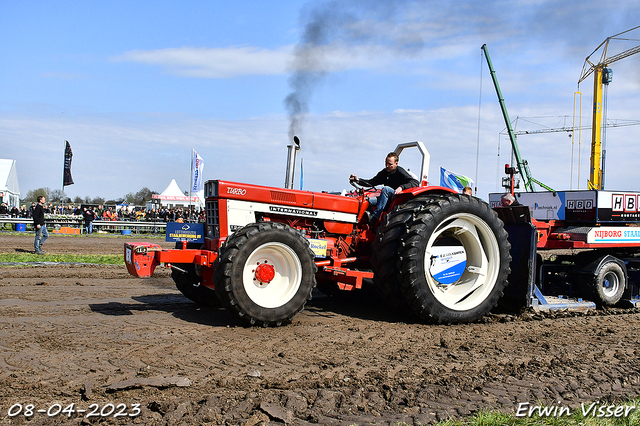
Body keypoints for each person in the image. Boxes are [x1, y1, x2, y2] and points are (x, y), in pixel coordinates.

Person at [350, 152, 419, 222]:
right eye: (386, 163)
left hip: (396, 199)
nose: (387, 166)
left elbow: (415, 182)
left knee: (386, 189)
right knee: (366, 201)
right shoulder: (384, 173)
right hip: (386, 199)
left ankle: (374, 217)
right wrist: (358, 180)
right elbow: (371, 182)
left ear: (396, 164)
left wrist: (401, 187)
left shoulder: (400, 172)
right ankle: (368, 224)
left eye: (390, 164)